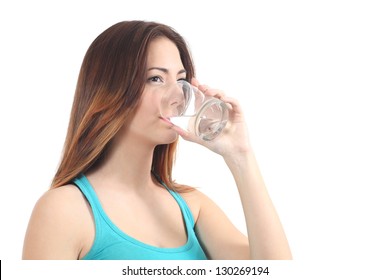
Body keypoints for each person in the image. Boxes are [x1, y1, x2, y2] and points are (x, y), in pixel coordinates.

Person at [22, 20, 292, 260]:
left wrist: (240, 155)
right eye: (155, 78)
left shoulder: (193, 207)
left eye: (181, 79)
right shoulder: (63, 210)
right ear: (110, 91)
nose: (178, 96)